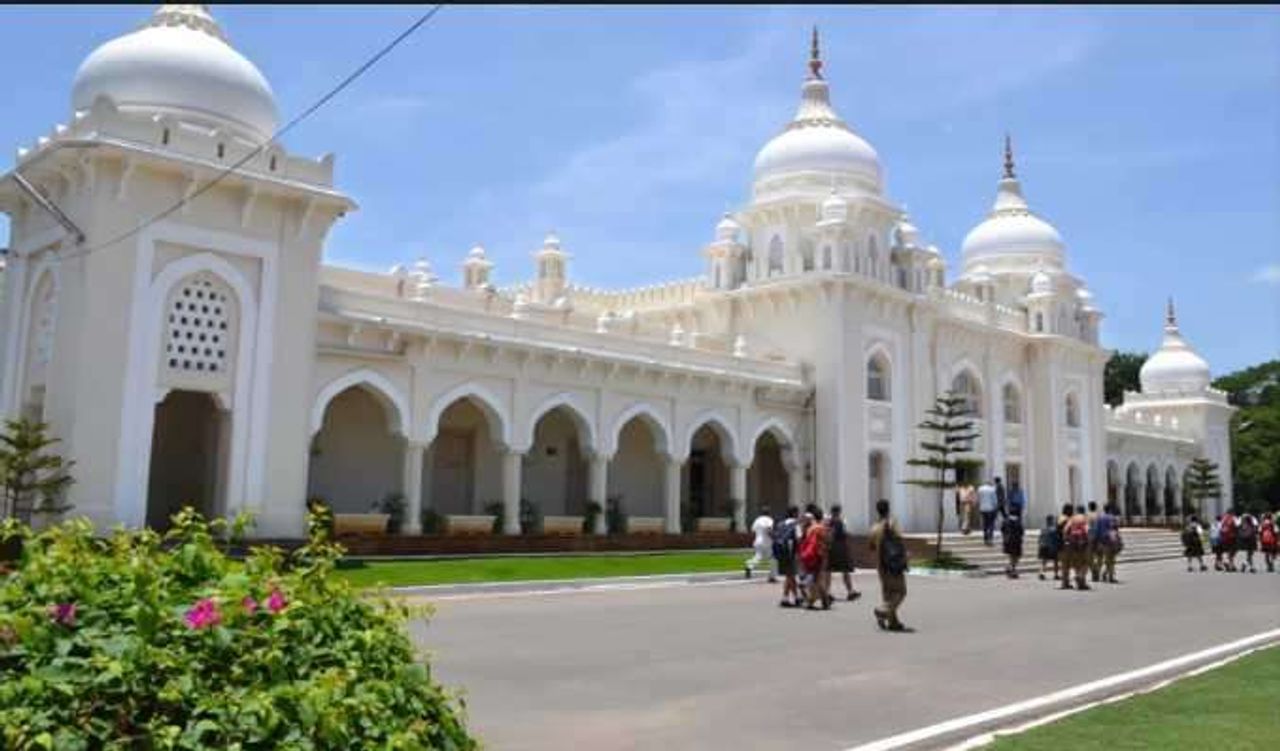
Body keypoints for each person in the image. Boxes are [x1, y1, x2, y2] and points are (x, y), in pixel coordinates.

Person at [868, 498, 908, 631]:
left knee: (888, 593)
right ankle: (883, 610)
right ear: (888, 509)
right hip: (893, 564)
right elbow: (899, 541)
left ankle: (893, 622)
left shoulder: (874, 527)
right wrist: (905, 557)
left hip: (881, 565)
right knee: (901, 592)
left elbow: (871, 547)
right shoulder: (892, 523)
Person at [798, 507, 831, 610]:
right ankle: (816, 600)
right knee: (817, 578)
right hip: (820, 556)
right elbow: (827, 542)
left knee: (815, 577)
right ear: (821, 517)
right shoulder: (822, 528)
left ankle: (818, 601)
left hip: (810, 555)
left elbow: (806, 542)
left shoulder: (810, 528)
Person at [826, 505, 861, 601]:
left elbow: (828, 535)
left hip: (831, 548)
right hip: (841, 548)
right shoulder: (841, 521)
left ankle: (828, 591)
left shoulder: (828, 522)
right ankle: (850, 591)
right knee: (845, 570)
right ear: (839, 512)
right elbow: (846, 534)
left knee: (828, 570)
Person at [774, 506, 801, 608]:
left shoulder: (781, 524)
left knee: (790, 575)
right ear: (795, 513)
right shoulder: (796, 524)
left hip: (781, 553)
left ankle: (796, 597)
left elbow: (776, 536)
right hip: (791, 552)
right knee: (790, 575)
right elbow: (799, 539)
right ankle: (785, 598)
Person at [1061, 503, 1091, 591]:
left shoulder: (1072, 518)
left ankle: (1081, 582)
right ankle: (1081, 577)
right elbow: (1087, 530)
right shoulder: (1085, 518)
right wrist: (1089, 541)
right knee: (1085, 562)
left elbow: (1066, 530)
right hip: (1083, 543)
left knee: (1076, 562)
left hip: (1073, 543)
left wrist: (1066, 539)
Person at [744, 506, 776, 582]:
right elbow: (769, 529)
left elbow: (752, 531)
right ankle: (772, 576)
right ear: (768, 513)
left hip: (757, 541)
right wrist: (775, 538)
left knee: (758, 556)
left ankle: (749, 565)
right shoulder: (769, 520)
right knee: (773, 558)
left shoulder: (757, 520)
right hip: (767, 542)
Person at [1098, 503, 1123, 584]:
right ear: (1110, 509)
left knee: (1107, 558)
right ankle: (1110, 577)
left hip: (1102, 540)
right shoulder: (1112, 518)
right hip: (1111, 540)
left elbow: (1097, 530)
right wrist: (1118, 539)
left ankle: (1105, 573)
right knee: (1111, 559)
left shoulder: (1100, 518)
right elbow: (1115, 529)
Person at [1037, 514, 1061, 582]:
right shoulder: (1053, 529)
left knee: (1044, 561)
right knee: (1055, 561)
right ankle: (1056, 574)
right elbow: (1056, 538)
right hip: (1050, 546)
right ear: (1051, 520)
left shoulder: (1043, 528)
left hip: (1043, 546)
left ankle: (1041, 572)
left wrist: (1039, 544)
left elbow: (1040, 538)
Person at [1001, 512, 1024, 578]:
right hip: (1016, 541)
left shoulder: (1006, 521)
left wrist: (1005, 536)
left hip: (1008, 541)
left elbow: (1002, 529)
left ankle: (1011, 569)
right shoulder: (1018, 521)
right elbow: (1021, 531)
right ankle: (1011, 568)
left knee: (1012, 555)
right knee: (1016, 556)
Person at [977, 479, 1000, 546]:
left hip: (982, 509)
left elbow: (978, 499)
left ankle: (985, 538)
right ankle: (990, 538)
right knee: (991, 524)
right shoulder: (992, 489)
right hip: (991, 509)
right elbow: (995, 500)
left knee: (985, 524)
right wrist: (996, 507)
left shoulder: (980, 489)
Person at [1085, 501, 1103, 583]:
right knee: (1099, 556)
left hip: (1090, 537)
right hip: (1099, 537)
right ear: (1095, 507)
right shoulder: (1099, 516)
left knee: (1089, 556)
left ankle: (1093, 570)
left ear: (1089, 507)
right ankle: (1098, 570)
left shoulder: (1087, 516)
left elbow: (1086, 527)